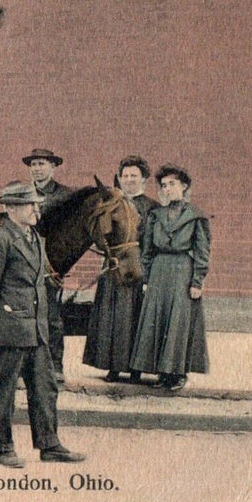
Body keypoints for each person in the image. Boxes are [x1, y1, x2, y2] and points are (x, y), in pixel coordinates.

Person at [0, 181, 86, 468]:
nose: (37, 208)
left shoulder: (35, 237)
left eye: (36, 203)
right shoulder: (0, 241)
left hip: (36, 329)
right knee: (4, 390)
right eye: (29, 204)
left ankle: (49, 444)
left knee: (45, 387)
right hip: (12, 329)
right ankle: (2, 445)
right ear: (11, 208)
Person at [130, 164, 211, 392]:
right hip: (158, 270)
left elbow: (203, 251)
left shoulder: (196, 216)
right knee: (157, 317)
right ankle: (161, 371)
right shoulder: (155, 216)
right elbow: (147, 250)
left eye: (172, 184)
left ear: (184, 186)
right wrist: (146, 278)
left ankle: (177, 373)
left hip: (182, 270)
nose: (167, 189)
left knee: (178, 321)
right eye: (163, 185)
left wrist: (197, 281)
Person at [83, 155, 160, 383]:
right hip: (113, 268)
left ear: (144, 179)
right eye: (125, 176)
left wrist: (145, 269)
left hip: (136, 268)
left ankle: (135, 369)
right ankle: (112, 367)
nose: (129, 180)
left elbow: (151, 241)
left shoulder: (151, 208)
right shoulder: (112, 205)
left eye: (134, 175)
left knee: (135, 317)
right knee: (111, 316)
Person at [23, 148, 72, 383]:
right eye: (33, 164)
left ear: (53, 167)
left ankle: (56, 367)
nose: (37, 168)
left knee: (51, 317)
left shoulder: (63, 195)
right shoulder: (22, 192)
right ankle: (27, 369)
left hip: (49, 264)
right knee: (24, 317)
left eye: (42, 164)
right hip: (23, 262)